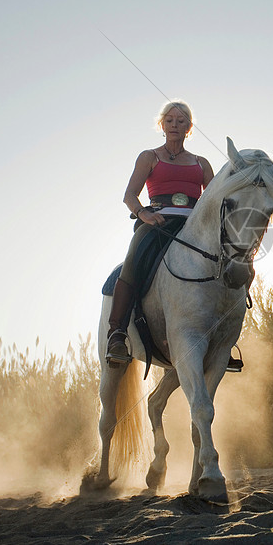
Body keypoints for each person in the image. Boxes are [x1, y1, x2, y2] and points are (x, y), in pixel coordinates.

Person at [106, 100, 213, 365]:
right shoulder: (149, 156)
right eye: (170, 120)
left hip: (193, 226)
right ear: (162, 125)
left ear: (189, 127)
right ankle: (117, 333)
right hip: (157, 223)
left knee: (228, 261)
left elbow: (211, 202)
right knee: (133, 261)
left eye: (181, 121)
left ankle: (225, 337)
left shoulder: (202, 163)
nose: (175, 124)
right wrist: (144, 214)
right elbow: (130, 195)